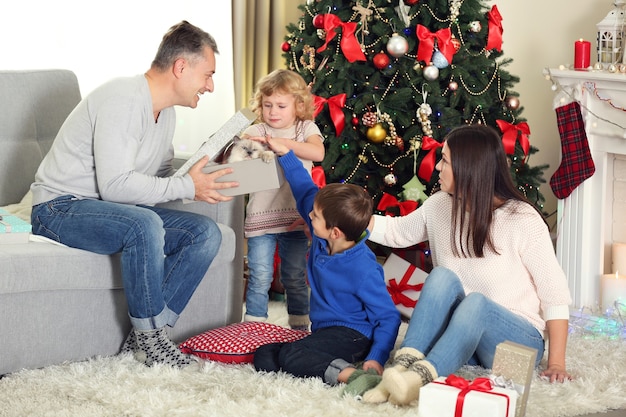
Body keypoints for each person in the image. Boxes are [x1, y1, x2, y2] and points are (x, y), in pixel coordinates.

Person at [30, 21, 238, 368]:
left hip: (108, 210)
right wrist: (186, 186)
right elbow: (117, 185)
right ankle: (154, 343)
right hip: (59, 208)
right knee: (144, 225)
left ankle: (143, 338)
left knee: (204, 234)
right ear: (181, 67)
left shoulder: (166, 114)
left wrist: (204, 177)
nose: (211, 86)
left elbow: (155, 180)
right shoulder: (123, 98)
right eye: (208, 74)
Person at [361, 124, 573, 405]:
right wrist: (342, 215)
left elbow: (554, 295)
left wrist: (556, 363)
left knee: (476, 303)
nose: (437, 167)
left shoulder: (523, 220)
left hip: (517, 350)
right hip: (466, 339)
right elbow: (395, 232)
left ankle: (418, 380)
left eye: (445, 160)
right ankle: (399, 372)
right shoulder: (439, 205)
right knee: (441, 277)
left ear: (467, 167)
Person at [252, 138, 401, 393]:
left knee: (292, 356)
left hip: (354, 336)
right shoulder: (324, 235)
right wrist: (286, 153)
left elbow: (388, 317)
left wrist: (376, 357)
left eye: (315, 216)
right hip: (324, 331)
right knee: (264, 356)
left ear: (334, 232)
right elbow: (304, 189)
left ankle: (354, 376)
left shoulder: (363, 269)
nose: (309, 215)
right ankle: (326, 362)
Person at [240, 69, 325, 331]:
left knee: (294, 276)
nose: (273, 111)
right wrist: (249, 146)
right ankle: (254, 327)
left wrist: (281, 143)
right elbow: (240, 157)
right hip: (260, 216)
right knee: (260, 275)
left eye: (280, 105)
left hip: (295, 218)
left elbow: (317, 153)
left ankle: (299, 326)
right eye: (267, 105)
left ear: (298, 105)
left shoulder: (305, 128)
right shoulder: (256, 130)